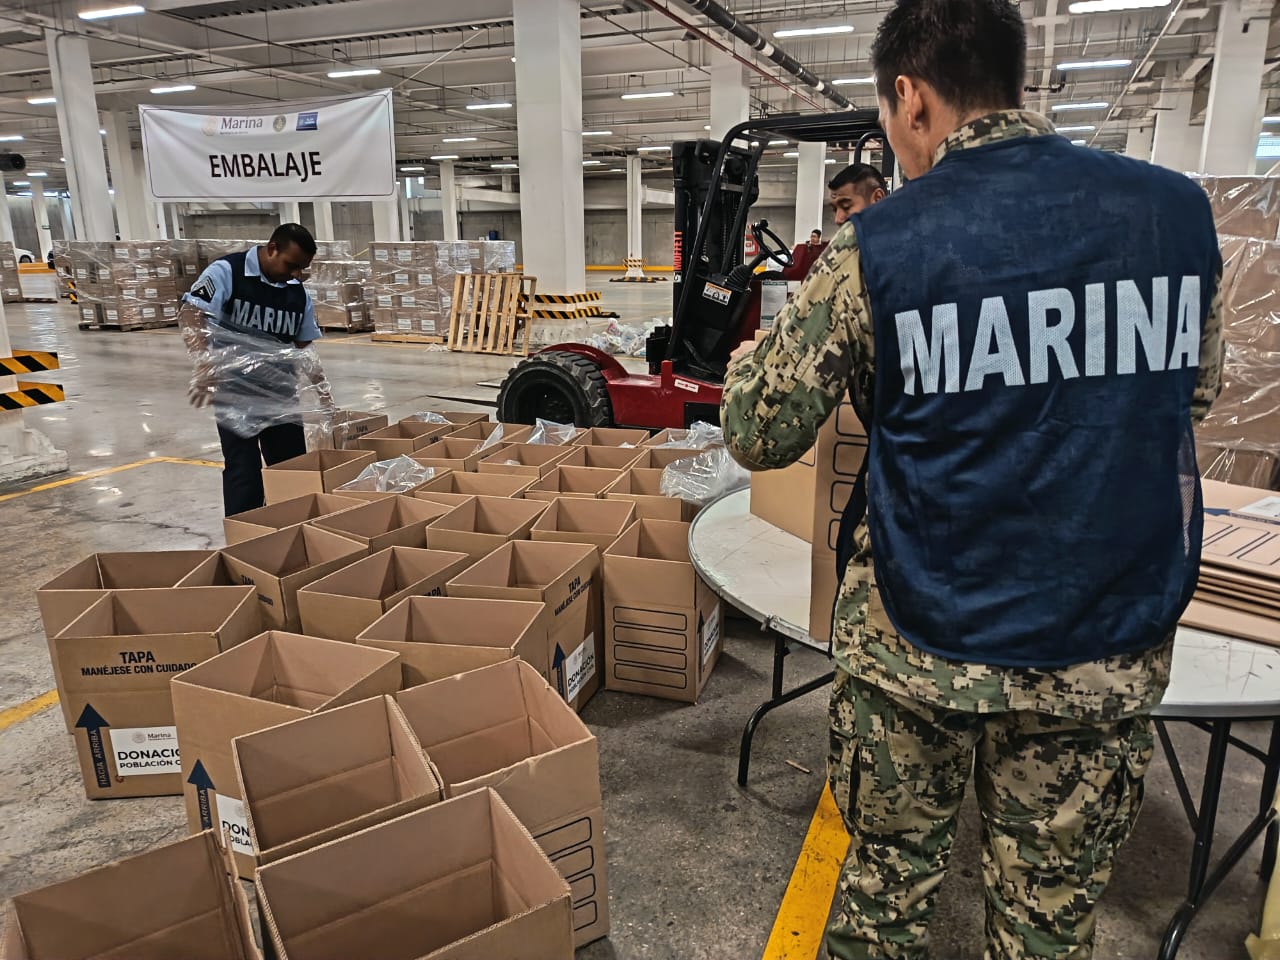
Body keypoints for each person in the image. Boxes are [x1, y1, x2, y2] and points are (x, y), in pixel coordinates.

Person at [720, 0, 1224, 955]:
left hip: (922, 637)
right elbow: (1189, 398)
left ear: (910, 98)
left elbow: (758, 429)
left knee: (886, 896)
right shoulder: (1176, 216)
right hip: (1100, 638)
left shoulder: (882, 244)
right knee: (1046, 921)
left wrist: (755, 361)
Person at [180, 222, 324, 516]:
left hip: (281, 395)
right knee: (244, 473)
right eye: (292, 265)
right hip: (235, 393)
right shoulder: (227, 272)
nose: (296, 274)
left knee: (291, 470)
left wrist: (322, 389)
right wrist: (205, 362)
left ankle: (295, 528)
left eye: (302, 268)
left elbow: (303, 346)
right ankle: (246, 532)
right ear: (272, 249)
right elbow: (193, 313)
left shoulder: (297, 293)